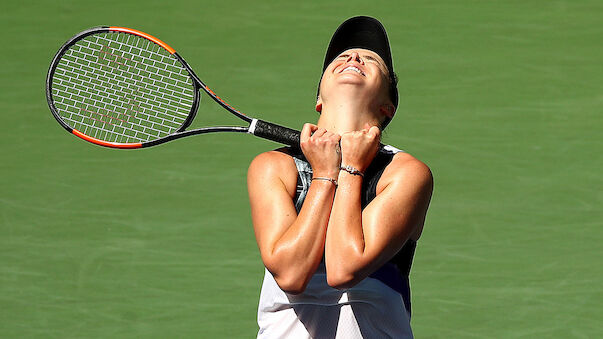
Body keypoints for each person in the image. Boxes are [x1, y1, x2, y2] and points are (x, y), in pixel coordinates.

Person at [247, 16, 433, 338]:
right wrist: (324, 173)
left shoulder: (405, 174)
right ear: (319, 98)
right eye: (341, 57)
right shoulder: (273, 166)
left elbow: (344, 268)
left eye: (370, 59)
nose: (353, 58)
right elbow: (290, 274)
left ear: (388, 107)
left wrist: (349, 169)